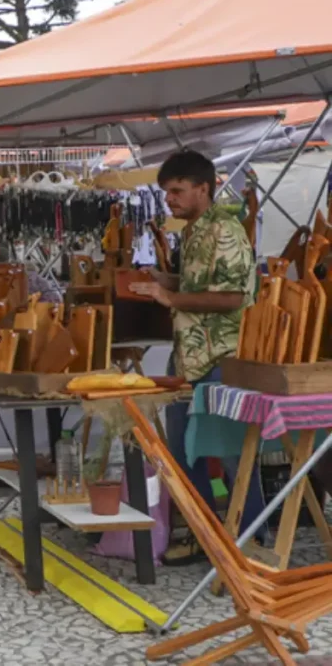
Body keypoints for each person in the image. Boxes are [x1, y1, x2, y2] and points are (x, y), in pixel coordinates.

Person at [130, 149, 264, 564]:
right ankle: (207, 538)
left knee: (230, 454)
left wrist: (170, 295)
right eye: (166, 192)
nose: (169, 199)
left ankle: (251, 542)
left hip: (223, 356)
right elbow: (197, 285)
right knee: (184, 454)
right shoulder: (193, 231)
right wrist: (162, 280)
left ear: (203, 189)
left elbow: (233, 296)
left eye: (176, 191)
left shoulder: (224, 229)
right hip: (190, 358)